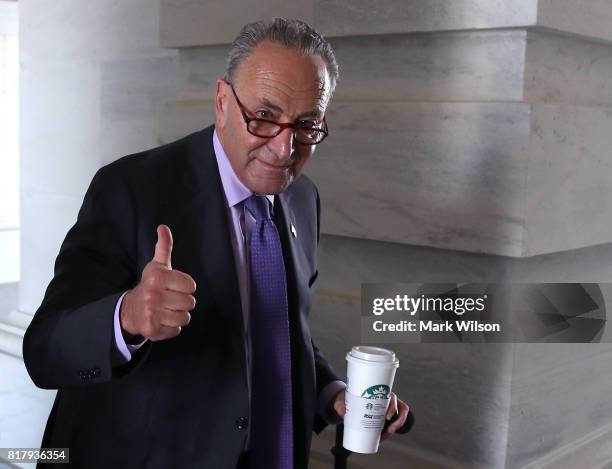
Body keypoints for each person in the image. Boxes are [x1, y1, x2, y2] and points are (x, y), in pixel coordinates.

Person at [23, 18, 410, 469]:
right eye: (264, 117)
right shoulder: (130, 188)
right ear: (223, 102)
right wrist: (126, 316)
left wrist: (331, 394)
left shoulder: (303, 198)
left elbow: (276, 330)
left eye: (306, 125)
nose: (285, 149)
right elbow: (43, 351)